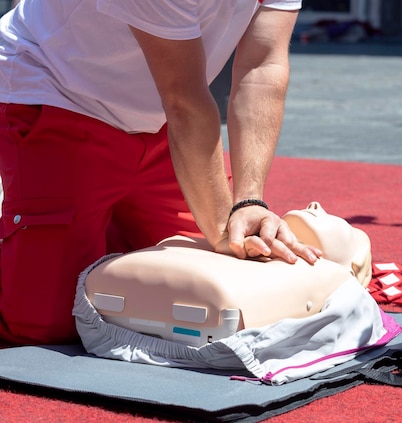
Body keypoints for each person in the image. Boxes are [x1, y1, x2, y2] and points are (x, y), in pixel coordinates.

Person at [0, 0, 321, 346]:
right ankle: (67, 231)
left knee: (192, 285)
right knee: (46, 324)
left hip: (159, 120)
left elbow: (262, 67)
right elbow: (183, 98)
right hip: (58, 90)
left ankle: (90, 228)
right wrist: (220, 230)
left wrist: (249, 201)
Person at [78, 201, 373, 346]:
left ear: (354, 267)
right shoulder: (250, 236)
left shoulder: (330, 276)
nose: (315, 205)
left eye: (344, 225)